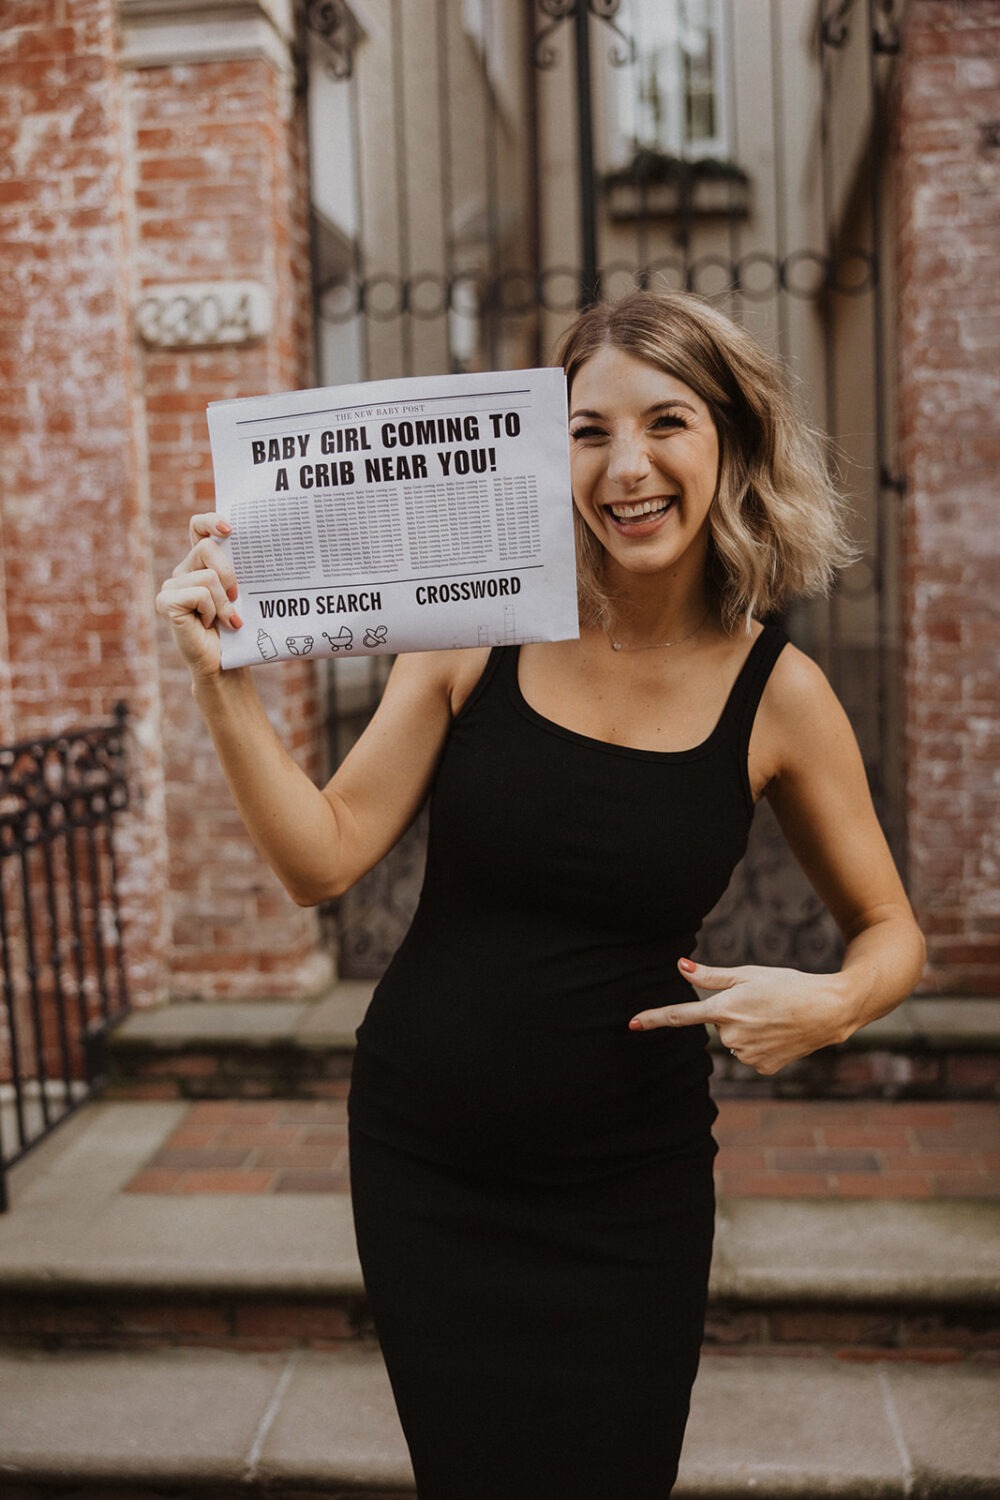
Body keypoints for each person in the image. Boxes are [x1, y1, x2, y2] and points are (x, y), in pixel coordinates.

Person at [157, 290, 925, 1499]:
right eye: (587, 431)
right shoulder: (476, 633)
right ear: (544, 451)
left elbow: (891, 933)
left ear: (727, 439)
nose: (628, 466)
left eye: (665, 421)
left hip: (630, 1186)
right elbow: (324, 856)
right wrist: (221, 687)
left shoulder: (781, 693)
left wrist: (834, 1004)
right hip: (426, 1160)